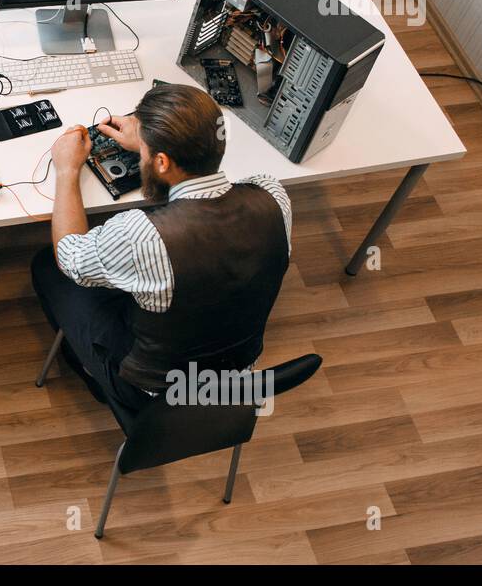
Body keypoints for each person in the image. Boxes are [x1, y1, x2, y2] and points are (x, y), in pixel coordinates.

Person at [31, 84, 292, 409]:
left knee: (46, 266)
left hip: (155, 392)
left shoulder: (141, 236)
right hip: (236, 377)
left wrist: (67, 170)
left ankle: (95, 374)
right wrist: (151, 138)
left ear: (163, 162)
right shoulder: (273, 196)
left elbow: (70, 256)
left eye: (144, 151)